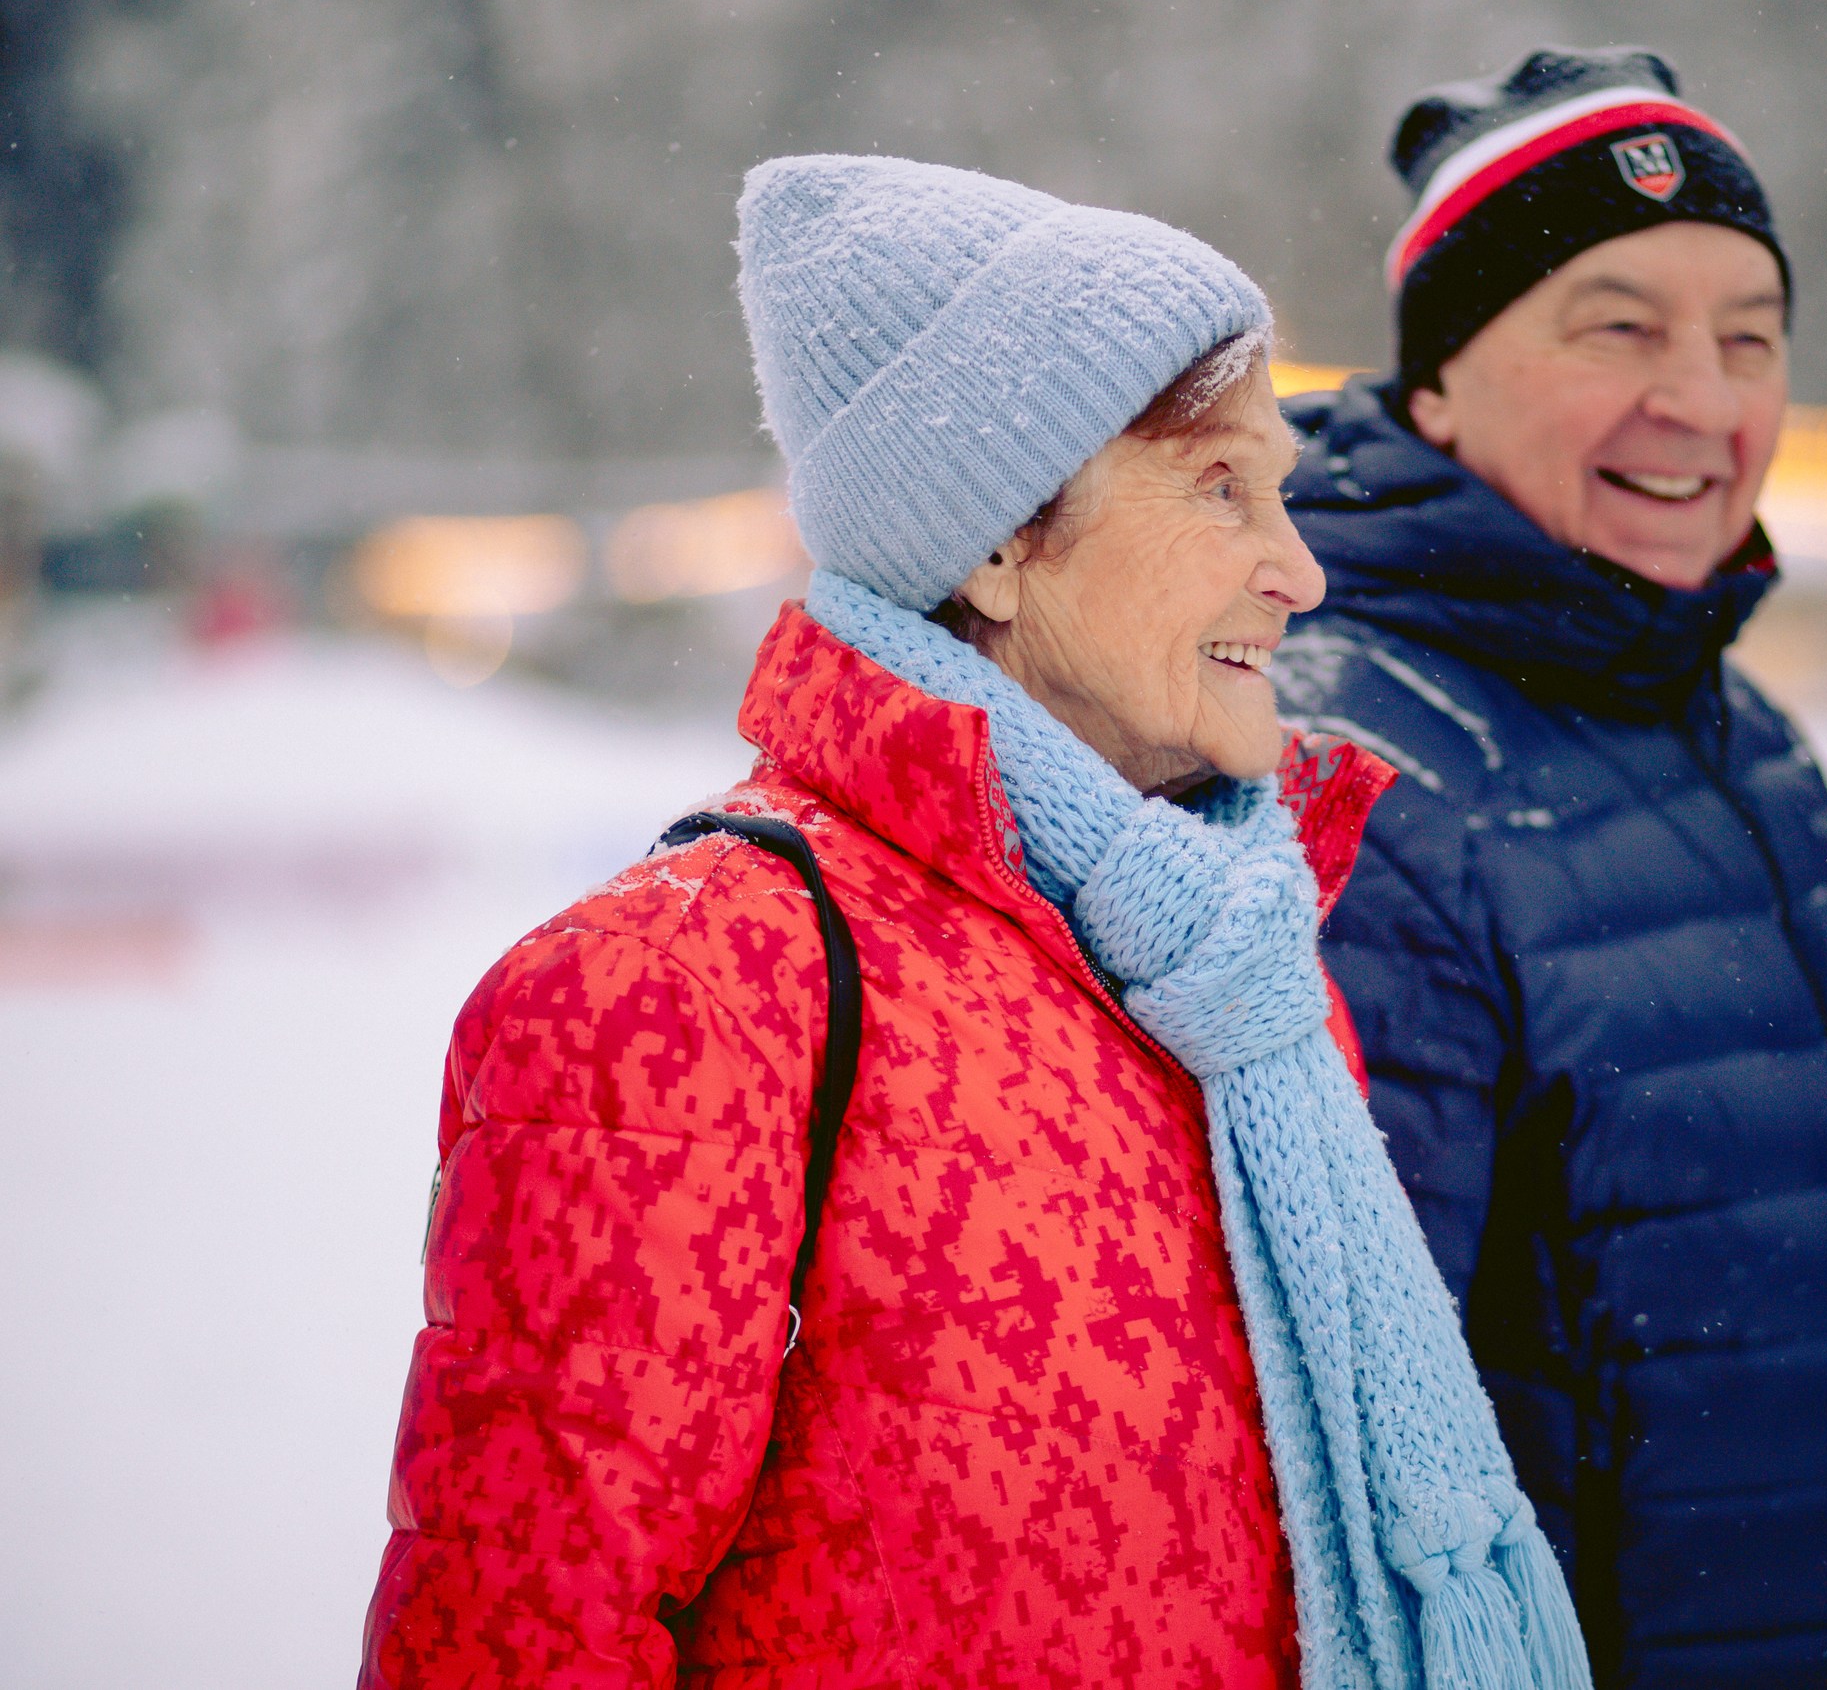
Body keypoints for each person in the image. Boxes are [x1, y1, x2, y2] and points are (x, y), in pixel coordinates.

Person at [362, 156, 1594, 1690]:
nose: (1300, 570)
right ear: (1000, 544)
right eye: (1220, 486)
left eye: (1281, 490)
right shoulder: (686, 994)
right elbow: (514, 1642)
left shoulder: (1234, 974)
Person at [1271, 47, 1827, 1690]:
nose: (1705, 402)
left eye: (1750, 337)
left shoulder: (1741, 729)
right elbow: (1346, 1464)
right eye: (1619, 329)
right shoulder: (1359, 789)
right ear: (1440, 385)